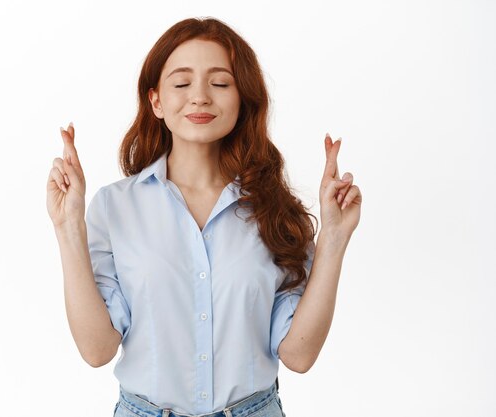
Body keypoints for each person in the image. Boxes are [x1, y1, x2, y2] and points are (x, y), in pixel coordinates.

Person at [46, 16, 361, 417]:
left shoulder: (275, 210)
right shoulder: (114, 207)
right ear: (156, 100)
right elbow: (97, 350)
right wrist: (67, 226)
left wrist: (334, 237)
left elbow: (299, 355)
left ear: (243, 99)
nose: (199, 97)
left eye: (219, 83)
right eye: (181, 83)